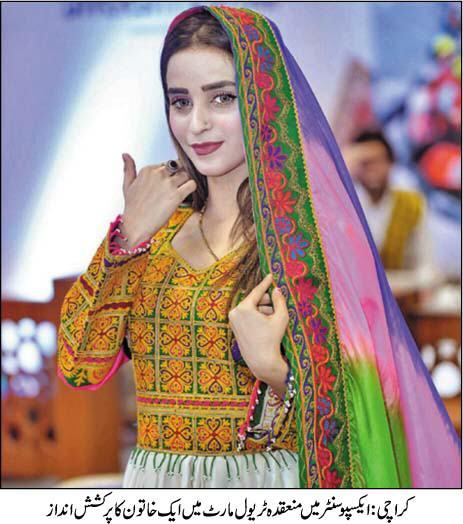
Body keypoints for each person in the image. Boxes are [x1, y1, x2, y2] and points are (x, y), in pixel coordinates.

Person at [57, 5, 461, 488]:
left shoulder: (309, 243)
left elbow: (364, 416)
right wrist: (128, 238)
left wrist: (274, 372)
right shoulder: (152, 234)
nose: (197, 124)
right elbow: (79, 367)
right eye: (180, 102)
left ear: (262, 101)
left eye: (222, 98)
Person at [342, 130, 443, 296]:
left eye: (378, 161)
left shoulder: (411, 203)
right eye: (365, 162)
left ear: (391, 162)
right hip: (356, 301)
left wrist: (395, 285)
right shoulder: (343, 206)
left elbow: (427, 270)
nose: (372, 168)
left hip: (400, 301)